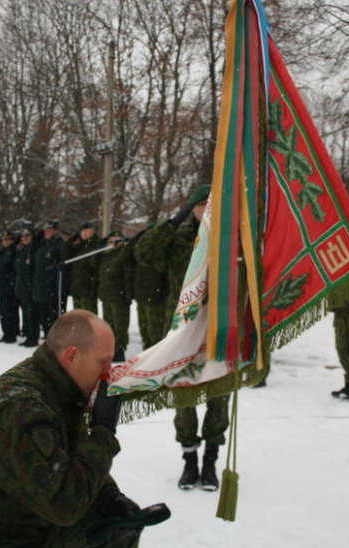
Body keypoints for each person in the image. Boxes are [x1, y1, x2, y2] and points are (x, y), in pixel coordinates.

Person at [0, 310, 150, 548]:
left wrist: (108, 496)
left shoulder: (58, 389)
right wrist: (102, 431)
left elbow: (66, 462)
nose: (108, 374)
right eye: (102, 362)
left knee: (116, 528)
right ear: (72, 356)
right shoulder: (20, 410)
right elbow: (64, 504)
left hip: (21, 523)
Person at [135, 184, 227, 492]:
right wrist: (174, 222)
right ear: (192, 209)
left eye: (210, 206)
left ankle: (211, 461)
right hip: (183, 330)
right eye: (199, 206)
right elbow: (143, 253)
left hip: (218, 329)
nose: (205, 212)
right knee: (184, 397)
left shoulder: (228, 239)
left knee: (218, 397)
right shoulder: (177, 240)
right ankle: (189, 461)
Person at [98, 231, 135, 362]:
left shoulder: (123, 254)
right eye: (111, 240)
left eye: (117, 240)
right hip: (106, 295)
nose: (114, 243)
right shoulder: (105, 255)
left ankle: (120, 350)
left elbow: (127, 255)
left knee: (120, 325)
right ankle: (110, 348)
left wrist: (124, 245)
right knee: (108, 325)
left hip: (120, 296)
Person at [131, 225, 168, 350]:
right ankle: (147, 353)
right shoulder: (140, 252)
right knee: (144, 330)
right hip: (142, 296)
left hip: (156, 298)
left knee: (155, 332)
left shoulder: (161, 251)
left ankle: (156, 355)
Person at [33, 219, 65, 339]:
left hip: (53, 286)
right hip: (41, 285)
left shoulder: (59, 244)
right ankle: (48, 336)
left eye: (50, 230)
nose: (47, 232)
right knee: (44, 315)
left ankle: (56, 339)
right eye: (46, 230)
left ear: (56, 231)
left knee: (54, 315)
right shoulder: (43, 245)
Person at [63, 221, 101, 314]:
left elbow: (95, 265)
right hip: (77, 287)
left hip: (88, 286)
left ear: (93, 231)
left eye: (87, 231)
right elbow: (65, 253)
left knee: (89, 315)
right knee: (79, 316)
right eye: (82, 232)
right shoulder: (79, 246)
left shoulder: (97, 244)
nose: (84, 234)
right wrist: (72, 240)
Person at [14, 230, 40, 347]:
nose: (25, 239)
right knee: (26, 312)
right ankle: (28, 334)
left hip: (31, 285)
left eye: (27, 237)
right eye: (23, 237)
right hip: (22, 285)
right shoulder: (22, 250)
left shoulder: (33, 248)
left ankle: (33, 336)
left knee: (32, 313)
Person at [0, 231, 20, 344]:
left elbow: (10, 266)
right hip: (2, 285)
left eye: (7, 239)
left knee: (11, 312)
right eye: (3, 240)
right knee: (3, 312)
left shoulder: (13, 250)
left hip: (10, 286)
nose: (5, 242)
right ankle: (6, 332)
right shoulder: (2, 251)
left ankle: (11, 333)